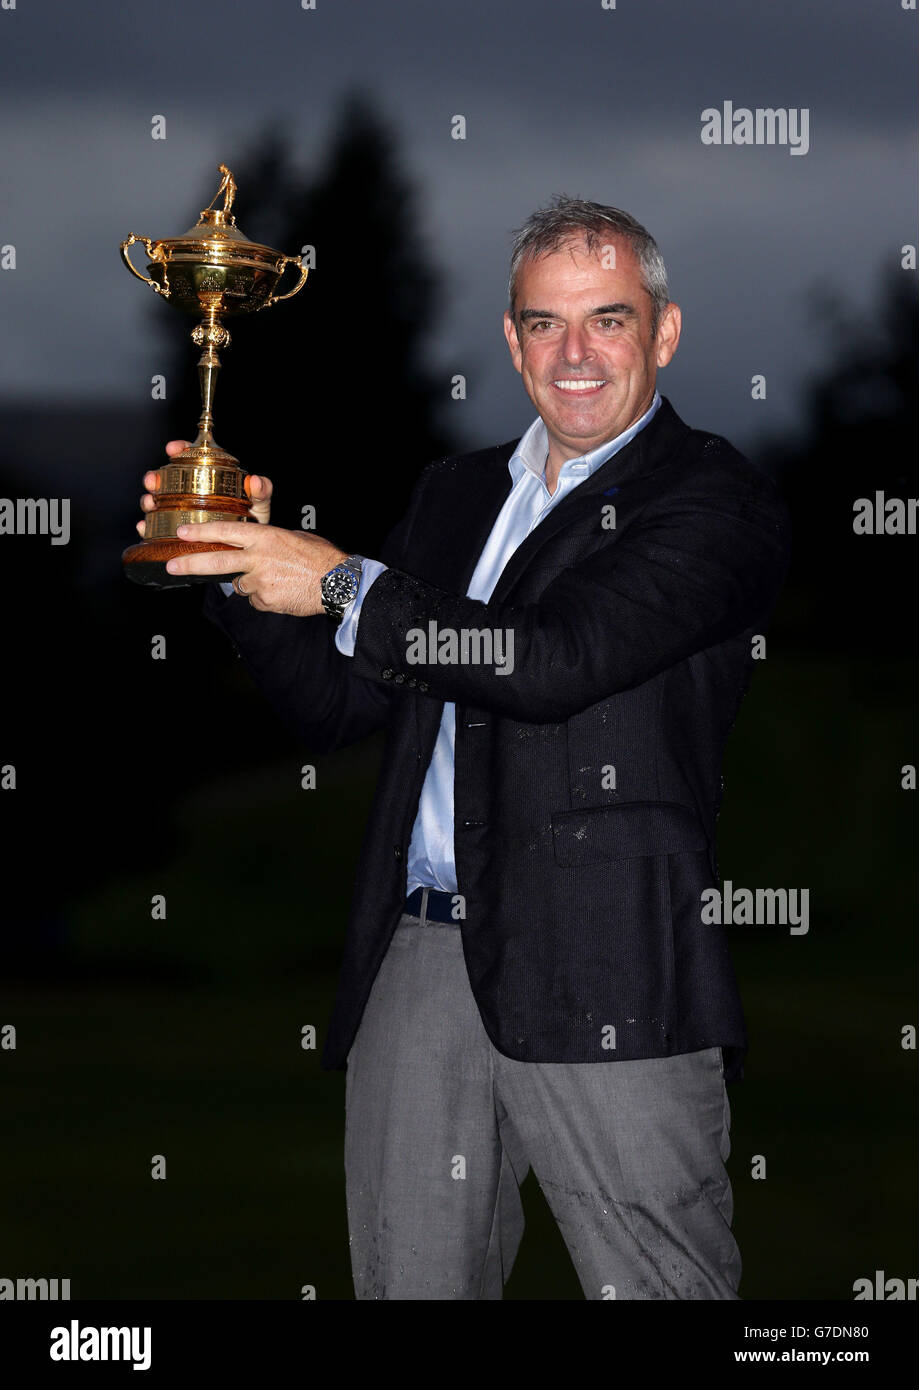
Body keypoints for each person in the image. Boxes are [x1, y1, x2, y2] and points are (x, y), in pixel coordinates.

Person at [137, 196, 791, 1300]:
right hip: (421, 960)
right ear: (510, 338)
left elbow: (552, 659)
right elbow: (347, 707)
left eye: (608, 320)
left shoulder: (714, 499)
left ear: (664, 333)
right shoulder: (455, 493)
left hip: (612, 965)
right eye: (544, 322)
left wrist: (342, 579)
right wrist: (238, 571)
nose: (573, 352)